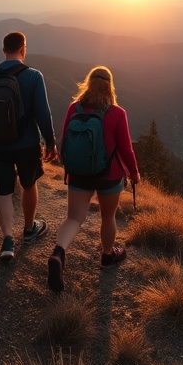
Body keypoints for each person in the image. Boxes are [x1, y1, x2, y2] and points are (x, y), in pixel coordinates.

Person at [47, 66, 140, 293]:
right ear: (110, 86)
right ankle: (107, 256)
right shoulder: (117, 113)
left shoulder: (74, 108)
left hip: (79, 173)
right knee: (107, 217)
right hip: (109, 176)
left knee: (74, 218)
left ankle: (59, 253)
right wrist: (134, 173)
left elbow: (64, 138)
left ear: (88, 83)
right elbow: (126, 149)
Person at [0, 31, 56, 262]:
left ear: (3, 50)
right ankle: (29, 229)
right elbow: (43, 113)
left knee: (4, 190)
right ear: (23, 49)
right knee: (29, 184)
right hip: (27, 143)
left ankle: (7, 240)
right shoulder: (33, 76)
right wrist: (50, 142)